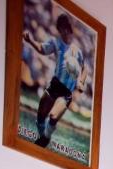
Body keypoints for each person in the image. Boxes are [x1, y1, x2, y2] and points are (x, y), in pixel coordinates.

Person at [23, 13, 87, 148]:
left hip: (66, 93)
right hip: (54, 85)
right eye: (60, 29)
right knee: (40, 116)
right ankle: (43, 139)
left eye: (64, 28)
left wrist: (81, 82)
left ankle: (45, 138)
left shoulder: (78, 51)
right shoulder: (55, 42)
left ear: (69, 29)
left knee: (52, 117)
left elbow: (84, 69)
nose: (62, 32)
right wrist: (30, 41)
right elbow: (42, 49)